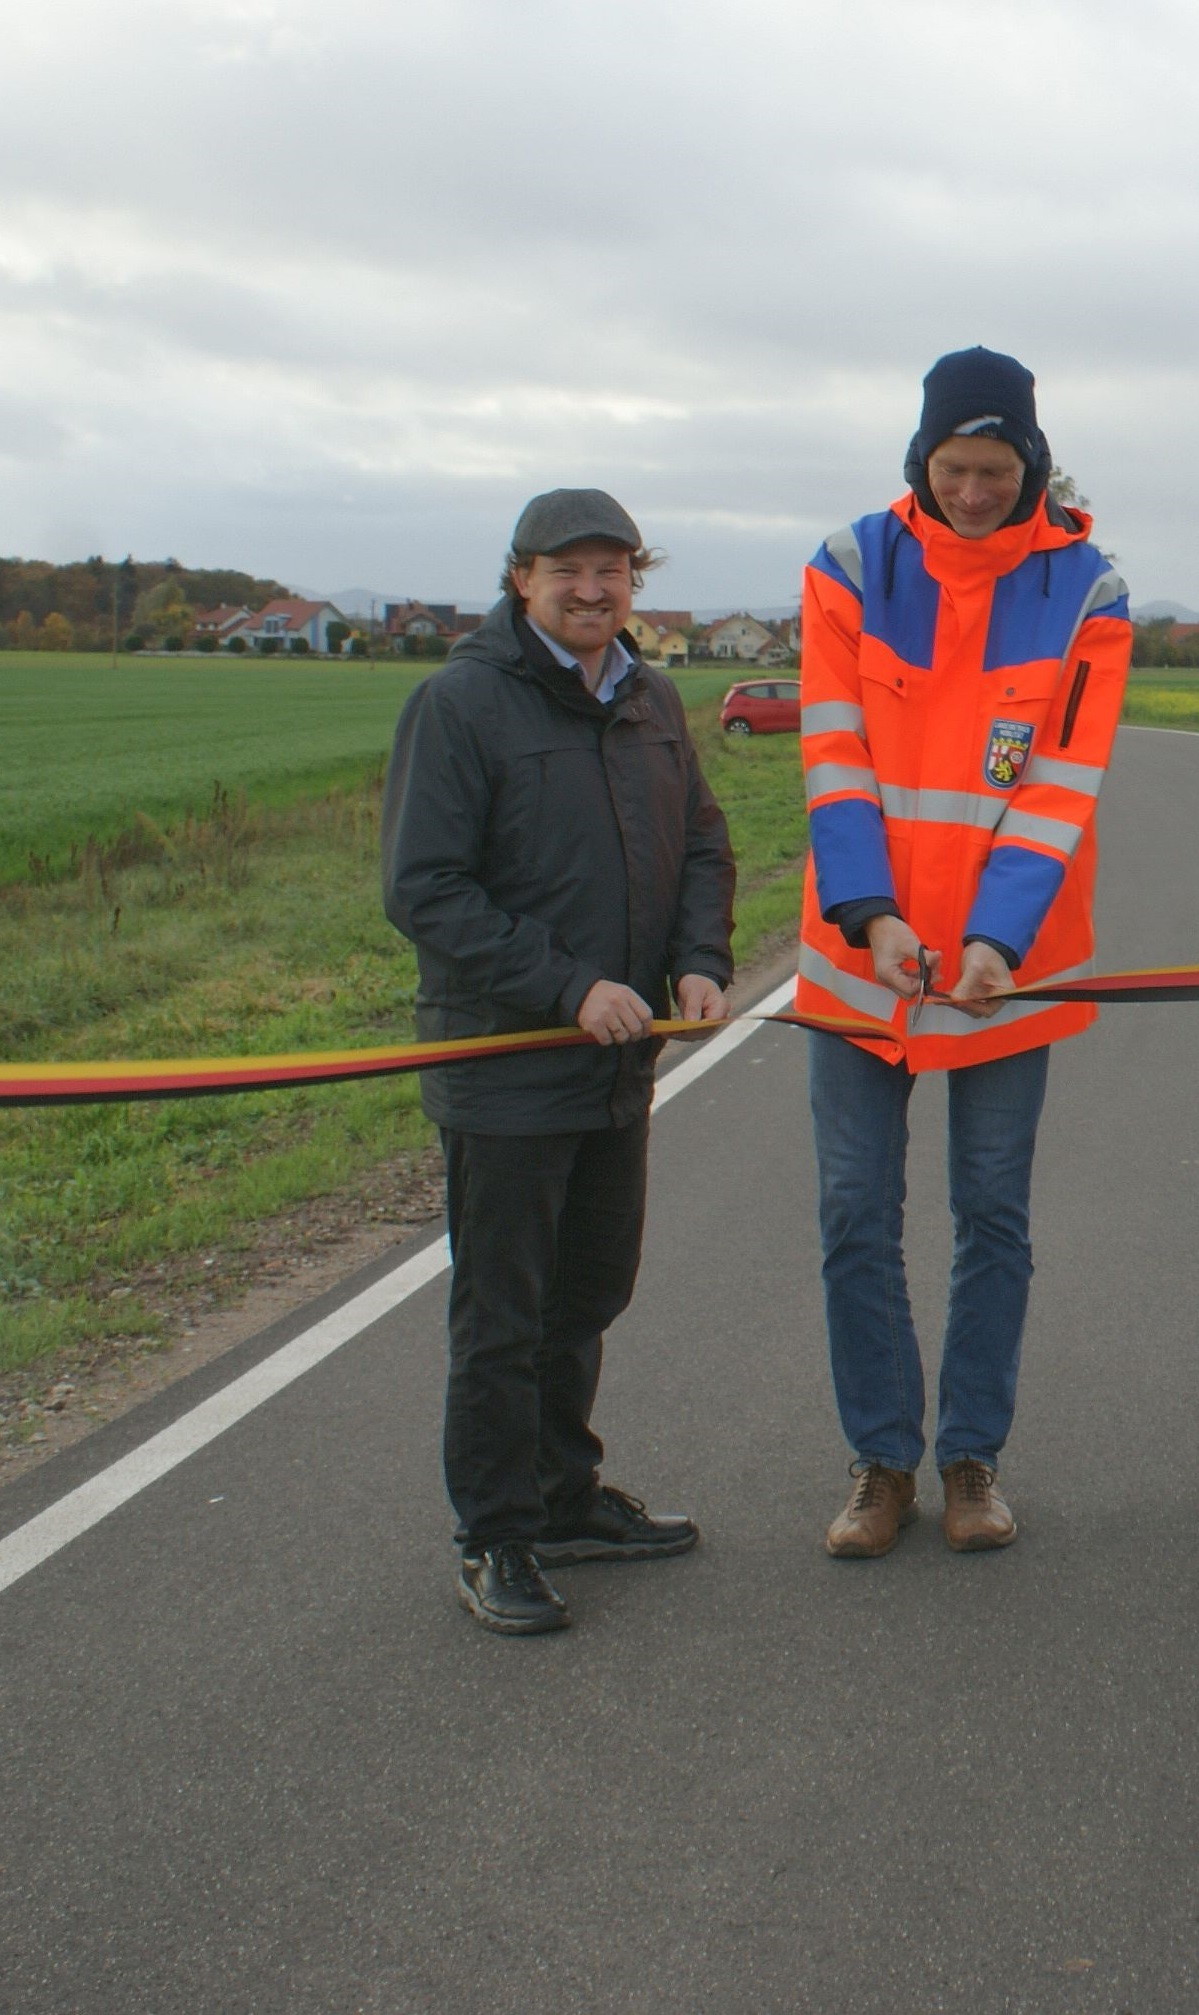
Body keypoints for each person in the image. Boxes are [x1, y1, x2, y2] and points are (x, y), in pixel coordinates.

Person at [383, 488, 736, 1635]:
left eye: (613, 569)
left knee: (588, 1290)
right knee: (504, 1312)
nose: (593, 590)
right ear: (521, 576)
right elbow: (426, 887)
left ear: (635, 578)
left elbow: (699, 843)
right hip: (508, 1063)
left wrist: (696, 959)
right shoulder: (461, 704)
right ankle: (494, 1531)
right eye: (567, 570)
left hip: (617, 1067)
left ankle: (563, 1493)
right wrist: (568, 985)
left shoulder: (649, 698)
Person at [796, 346, 1131, 1557]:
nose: (976, 491)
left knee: (991, 1214)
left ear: (1032, 464)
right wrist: (871, 916)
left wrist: (996, 935)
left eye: (997, 469)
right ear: (919, 461)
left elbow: (1060, 787)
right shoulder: (847, 568)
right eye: (954, 467)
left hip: (1009, 964)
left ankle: (972, 1458)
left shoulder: (1087, 591)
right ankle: (881, 1461)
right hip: (860, 957)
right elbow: (833, 756)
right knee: (853, 1213)